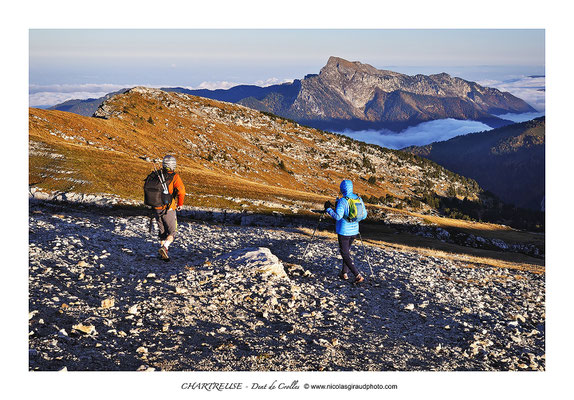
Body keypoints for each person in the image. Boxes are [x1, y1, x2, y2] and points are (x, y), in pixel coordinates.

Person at [324, 179, 367, 284]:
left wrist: (328, 209)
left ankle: (357, 275)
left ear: (342, 188)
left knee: (345, 253)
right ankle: (344, 273)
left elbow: (338, 216)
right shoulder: (358, 199)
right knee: (347, 252)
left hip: (344, 230)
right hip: (355, 230)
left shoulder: (343, 201)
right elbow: (364, 215)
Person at [154, 155, 185, 261]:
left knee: (162, 231)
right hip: (169, 208)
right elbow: (181, 191)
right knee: (172, 232)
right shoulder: (175, 176)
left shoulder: (156, 175)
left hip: (156, 207)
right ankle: (165, 247)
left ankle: (162, 253)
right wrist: (180, 204)